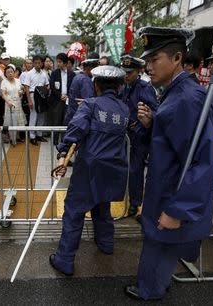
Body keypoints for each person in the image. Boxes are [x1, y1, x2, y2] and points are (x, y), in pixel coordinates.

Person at [124, 27, 213, 301]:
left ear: (177, 57)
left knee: (160, 244)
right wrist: (152, 123)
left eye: (155, 59)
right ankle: (154, 285)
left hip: (171, 193)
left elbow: (203, 160)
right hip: (165, 187)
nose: (148, 67)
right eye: (147, 61)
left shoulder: (187, 99)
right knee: (160, 244)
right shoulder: (175, 92)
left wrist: (178, 209)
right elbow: (175, 141)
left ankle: (150, 290)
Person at [49, 65, 129, 276]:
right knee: (102, 206)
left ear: (95, 86)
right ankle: (106, 244)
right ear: (119, 88)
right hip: (113, 168)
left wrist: (62, 154)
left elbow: (75, 130)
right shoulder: (124, 109)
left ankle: (65, 260)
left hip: (90, 168)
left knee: (74, 211)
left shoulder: (90, 105)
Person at [120, 54, 158, 217]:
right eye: (125, 71)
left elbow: (154, 111)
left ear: (138, 71)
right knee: (126, 169)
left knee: (136, 171)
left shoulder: (145, 87)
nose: (127, 75)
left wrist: (140, 123)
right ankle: (127, 197)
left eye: (130, 72)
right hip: (125, 135)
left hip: (139, 136)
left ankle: (135, 203)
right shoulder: (125, 86)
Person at [48, 53, 76, 145]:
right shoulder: (55, 73)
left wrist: (67, 96)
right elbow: (52, 86)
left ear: (65, 63)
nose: (58, 64)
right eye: (57, 62)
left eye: (60, 62)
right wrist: (60, 96)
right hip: (57, 100)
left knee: (66, 121)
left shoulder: (72, 74)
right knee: (56, 121)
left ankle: (64, 141)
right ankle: (55, 141)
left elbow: (73, 87)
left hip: (68, 100)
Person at [65, 53, 99, 125]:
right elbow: (89, 101)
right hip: (80, 118)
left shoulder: (78, 77)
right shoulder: (85, 80)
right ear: (89, 68)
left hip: (73, 115)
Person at [23, 55, 49, 146]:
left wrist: (45, 93)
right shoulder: (29, 73)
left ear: (42, 63)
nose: (38, 65)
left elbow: (47, 85)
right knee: (33, 116)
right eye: (36, 63)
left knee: (41, 115)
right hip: (33, 95)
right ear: (33, 63)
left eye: (40, 63)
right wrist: (29, 100)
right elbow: (26, 87)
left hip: (42, 96)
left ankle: (39, 134)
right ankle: (32, 136)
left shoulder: (44, 73)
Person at [1, 65, 27, 145]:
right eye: (8, 72)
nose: (10, 73)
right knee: (11, 122)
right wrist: (7, 101)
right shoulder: (4, 82)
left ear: (14, 72)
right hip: (9, 104)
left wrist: (22, 92)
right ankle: (12, 139)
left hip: (18, 103)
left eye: (11, 72)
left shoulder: (18, 81)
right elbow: (3, 94)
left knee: (18, 121)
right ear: (5, 74)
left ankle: (17, 137)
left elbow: (23, 89)